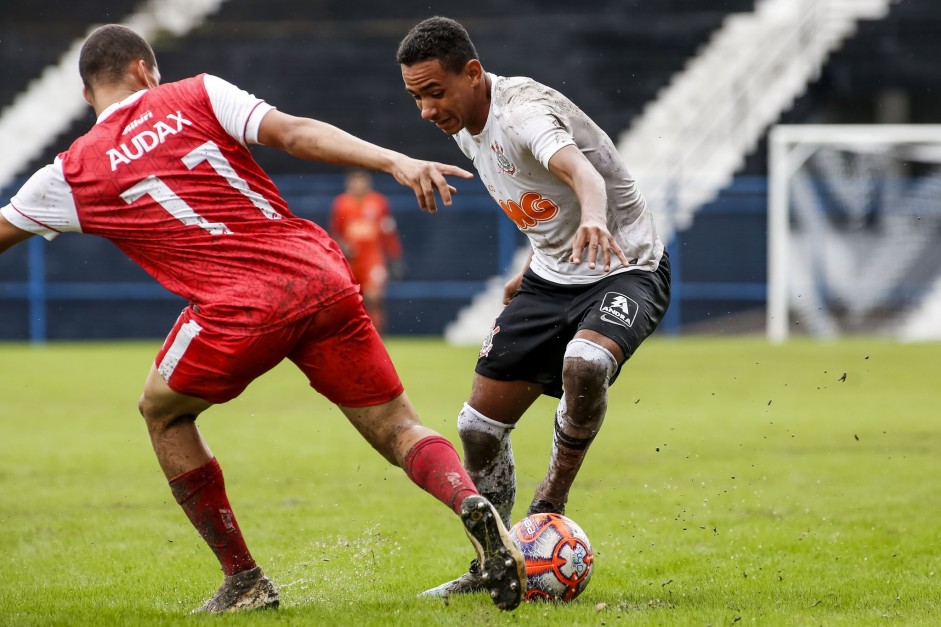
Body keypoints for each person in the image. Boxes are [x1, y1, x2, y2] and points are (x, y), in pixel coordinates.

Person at [0, 24, 526, 613]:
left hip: (238, 307)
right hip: (318, 272)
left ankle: (244, 580)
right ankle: (468, 505)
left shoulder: (70, 172)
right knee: (399, 428)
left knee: (162, 411)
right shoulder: (197, 92)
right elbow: (297, 134)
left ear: (85, 95)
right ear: (147, 71)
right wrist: (395, 161)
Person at [396, 16, 672, 598]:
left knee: (586, 364)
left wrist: (595, 218)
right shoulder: (463, 125)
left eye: (434, 93)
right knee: (476, 430)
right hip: (551, 279)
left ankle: (550, 503)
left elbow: (581, 175)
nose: (426, 110)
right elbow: (539, 200)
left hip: (624, 265)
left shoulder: (523, 113)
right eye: (415, 97)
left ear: (472, 73)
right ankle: (492, 561)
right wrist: (532, 267)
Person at [330, 169, 405, 334]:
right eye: (355, 182)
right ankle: (357, 336)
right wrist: (342, 248)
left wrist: (395, 258)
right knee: (353, 301)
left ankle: (377, 337)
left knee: (374, 298)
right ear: (349, 184)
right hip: (351, 261)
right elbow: (337, 233)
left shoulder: (378, 202)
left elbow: (388, 231)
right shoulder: (341, 203)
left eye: (361, 181)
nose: (358, 185)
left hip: (373, 259)